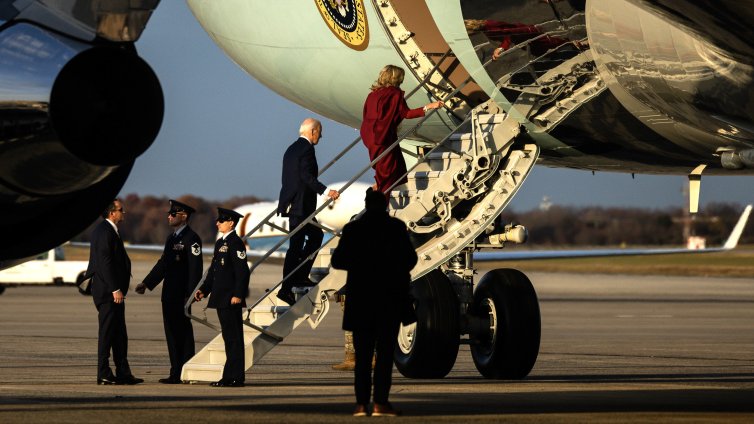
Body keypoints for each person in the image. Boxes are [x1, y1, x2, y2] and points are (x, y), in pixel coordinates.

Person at [331, 188, 418, 417]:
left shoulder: (353, 229)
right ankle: (380, 403)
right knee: (384, 357)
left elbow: (338, 261)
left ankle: (361, 405)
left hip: (361, 302)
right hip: (388, 300)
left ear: (367, 205)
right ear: (385, 205)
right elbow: (411, 259)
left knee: (363, 359)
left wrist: (361, 264)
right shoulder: (396, 228)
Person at [136, 200, 202, 384]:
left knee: (184, 334)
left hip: (182, 295)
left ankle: (186, 371)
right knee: (171, 333)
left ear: (184, 216)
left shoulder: (192, 238)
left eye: (173, 214)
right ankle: (175, 372)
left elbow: (196, 269)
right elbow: (163, 264)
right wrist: (147, 283)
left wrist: (192, 294)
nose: (169, 216)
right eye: (169, 214)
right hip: (169, 294)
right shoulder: (171, 238)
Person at [277, 118, 339, 305]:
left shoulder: (291, 148)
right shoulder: (307, 149)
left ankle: (298, 277)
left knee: (305, 240)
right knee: (304, 242)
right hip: (301, 206)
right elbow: (306, 176)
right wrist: (327, 191)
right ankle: (288, 287)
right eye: (320, 131)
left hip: (294, 203)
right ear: (312, 132)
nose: (321, 135)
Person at [360, 65, 443, 195]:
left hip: (370, 137)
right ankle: (382, 201)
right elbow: (407, 114)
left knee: (388, 168)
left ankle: (378, 189)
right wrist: (429, 106)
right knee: (390, 171)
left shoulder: (373, 94)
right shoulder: (394, 94)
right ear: (397, 78)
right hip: (384, 137)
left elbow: (366, 115)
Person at [86, 199, 143, 385]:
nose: (123, 213)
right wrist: (115, 288)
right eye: (121, 210)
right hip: (108, 292)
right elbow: (104, 263)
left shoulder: (110, 230)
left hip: (114, 292)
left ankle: (123, 372)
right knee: (107, 333)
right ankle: (103, 373)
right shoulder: (104, 231)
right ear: (112, 213)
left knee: (119, 334)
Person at [194, 207, 250, 387]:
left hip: (230, 298)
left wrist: (238, 295)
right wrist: (204, 289)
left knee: (234, 339)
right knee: (228, 338)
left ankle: (235, 377)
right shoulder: (220, 243)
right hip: (220, 297)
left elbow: (243, 272)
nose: (217, 223)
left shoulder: (235, 242)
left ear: (231, 223)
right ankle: (229, 376)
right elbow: (214, 271)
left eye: (221, 220)